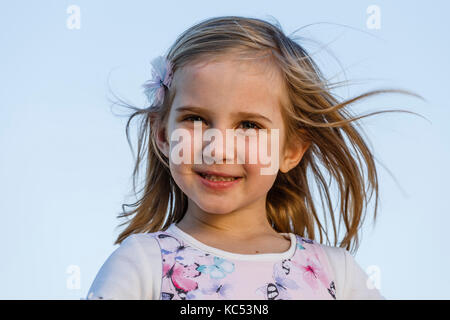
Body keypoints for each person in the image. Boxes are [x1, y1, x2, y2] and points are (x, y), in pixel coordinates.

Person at [87, 16, 419, 300]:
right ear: (162, 134)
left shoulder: (338, 273)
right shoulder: (141, 264)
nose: (217, 148)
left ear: (290, 150)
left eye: (248, 125)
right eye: (196, 119)